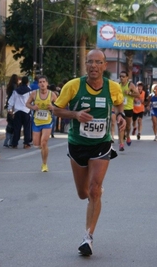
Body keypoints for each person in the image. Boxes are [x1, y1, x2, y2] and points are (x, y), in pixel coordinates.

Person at [53, 49, 126, 257]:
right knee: (83, 193)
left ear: (105, 66)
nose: (94, 65)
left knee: (94, 190)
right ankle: (93, 194)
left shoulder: (112, 87)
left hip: (101, 144)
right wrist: (74, 114)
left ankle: (88, 237)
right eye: (90, 62)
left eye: (98, 62)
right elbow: (56, 109)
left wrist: (120, 115)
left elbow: (119, 102)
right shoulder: (73, 86)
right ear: (86, 65)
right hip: (77, 144)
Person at [25, 75, 57, 172]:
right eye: (40, 82)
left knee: (43, 142)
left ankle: (44, 164)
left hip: (47, 121)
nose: (42, 83)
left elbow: (60, 105)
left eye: (44, 82)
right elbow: (27, 104)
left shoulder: (52, 94)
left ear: (47, 83)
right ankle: (44, 149)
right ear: (38, 84)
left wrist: (52, 107)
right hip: (37, 121)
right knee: (36, 144)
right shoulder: (34, 94)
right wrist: (33, 107)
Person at [7, 76, 32, 149]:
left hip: (17, 111)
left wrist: (10, 109)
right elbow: (32, 102)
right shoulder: (29, 91)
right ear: (27, 82)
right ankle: (26, 143)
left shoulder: (16, 91)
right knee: (27, 128)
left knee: (17, 128)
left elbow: (11, 101)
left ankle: (15, 143)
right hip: (26, 111)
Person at [118, 71, 139, 151]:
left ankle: (128, 136)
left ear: (127, 77)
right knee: (120, 126)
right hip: (120, 108)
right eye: (120, 76)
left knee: (128, 126)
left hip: (128, 108)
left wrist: (129, 93)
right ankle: (121, 144)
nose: (121, 78)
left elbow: (137, 95)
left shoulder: (130, 85)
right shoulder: (118, 85)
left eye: (123, 76)